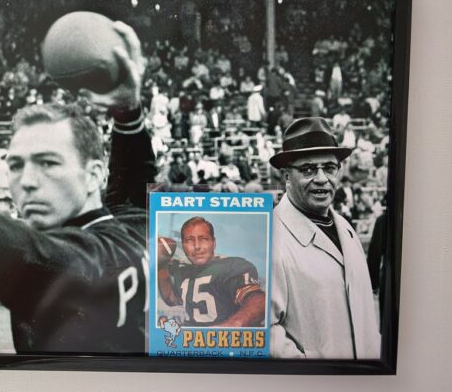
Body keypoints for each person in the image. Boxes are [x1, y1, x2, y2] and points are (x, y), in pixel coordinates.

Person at [0, 21, 156, 354]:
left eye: (48, 163)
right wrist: (128, 113)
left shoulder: (68, 261)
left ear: (95, 174)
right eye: (16, 164)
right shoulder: (138, 227)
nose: (26, 181)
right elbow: (133, 183)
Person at [269, 117, 380, 359]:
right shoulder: (270, 237)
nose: (321, 178)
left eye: (329, 168)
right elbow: (263, 331)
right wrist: (310, 367)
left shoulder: (345, 228)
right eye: (308, 169)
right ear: (286, 175)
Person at [157, 217, 265, 327]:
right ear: (183, 245)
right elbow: (171, 298)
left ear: (213, 243)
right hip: (192, 340)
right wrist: (161, 267)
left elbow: (258, 301)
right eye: (189, 240)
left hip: (224, 340)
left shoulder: (232, 266)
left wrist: (228, 327)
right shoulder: (183, 271)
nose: (197, 246)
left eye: (203, 239)